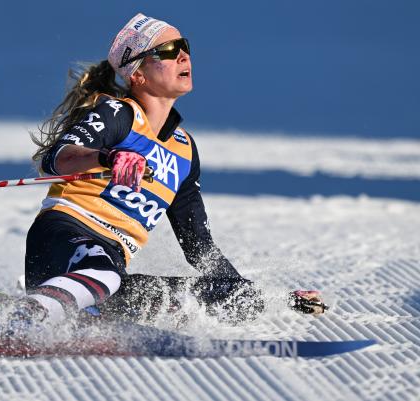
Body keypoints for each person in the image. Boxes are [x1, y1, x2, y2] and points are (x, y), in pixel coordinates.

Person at [19, 13, 265, 327]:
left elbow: (197, 243)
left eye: (184, 46)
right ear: (138, 74)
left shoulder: (185, 150)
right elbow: (57, 158)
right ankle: (30, 315)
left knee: (227, 297)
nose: (183, 55)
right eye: (167, 50)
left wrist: (257, 294)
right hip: (65, 237)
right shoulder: (118, 114)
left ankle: (76, 309)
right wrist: (107, 157)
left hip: (110, 268)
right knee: (104, 274)